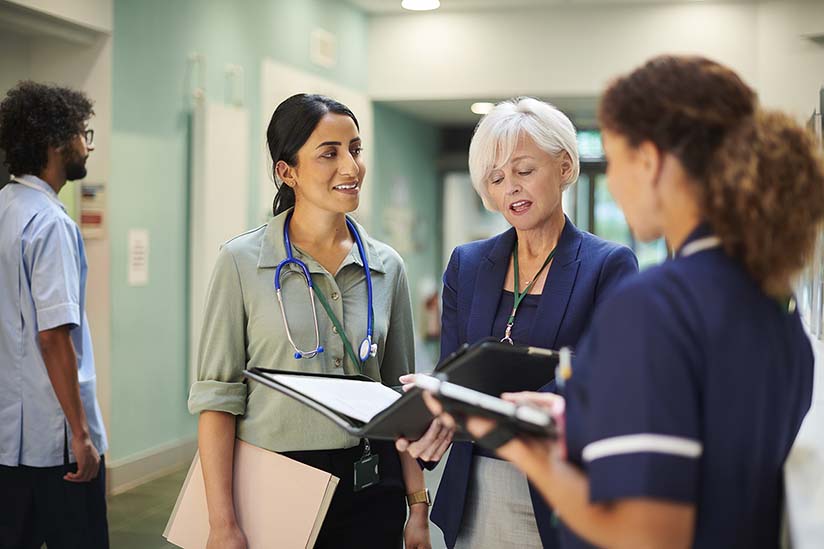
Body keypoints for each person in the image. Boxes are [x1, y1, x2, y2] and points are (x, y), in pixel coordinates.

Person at [423, 55, 824, 549]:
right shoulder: (774, 303)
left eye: (612, 160)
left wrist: (512, 438)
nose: (611, 183)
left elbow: (646, 533)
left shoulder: (658, 305)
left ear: (650, 161)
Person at [188, 93, 431, 549]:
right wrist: (222, 523)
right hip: (277, 482)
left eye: (355, 150)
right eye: (329, 153)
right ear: (287, 171)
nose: (350, 168)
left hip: (372, 483)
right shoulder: (241, 263)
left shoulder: (386, 266)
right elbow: (217, 400)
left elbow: (401, 398)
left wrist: (418, 505)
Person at [396, 97, 638, 548]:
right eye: (497, 177)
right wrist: (434, 408)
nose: (512, 188)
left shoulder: (608, 265)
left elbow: (606, 377)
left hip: (560, 484)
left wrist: (489, 410)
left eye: (524, 170)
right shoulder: (467, 265)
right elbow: (453, 373)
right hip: (473, 491)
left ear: (564, 167)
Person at [0, 81, 109, 548]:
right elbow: (53, 336)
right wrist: (80, 436)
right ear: (56, 140)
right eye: (83, 132)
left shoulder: (5, 207)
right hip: (54, 441)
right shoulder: (50, 222)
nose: (87, 144)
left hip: (8, 440)